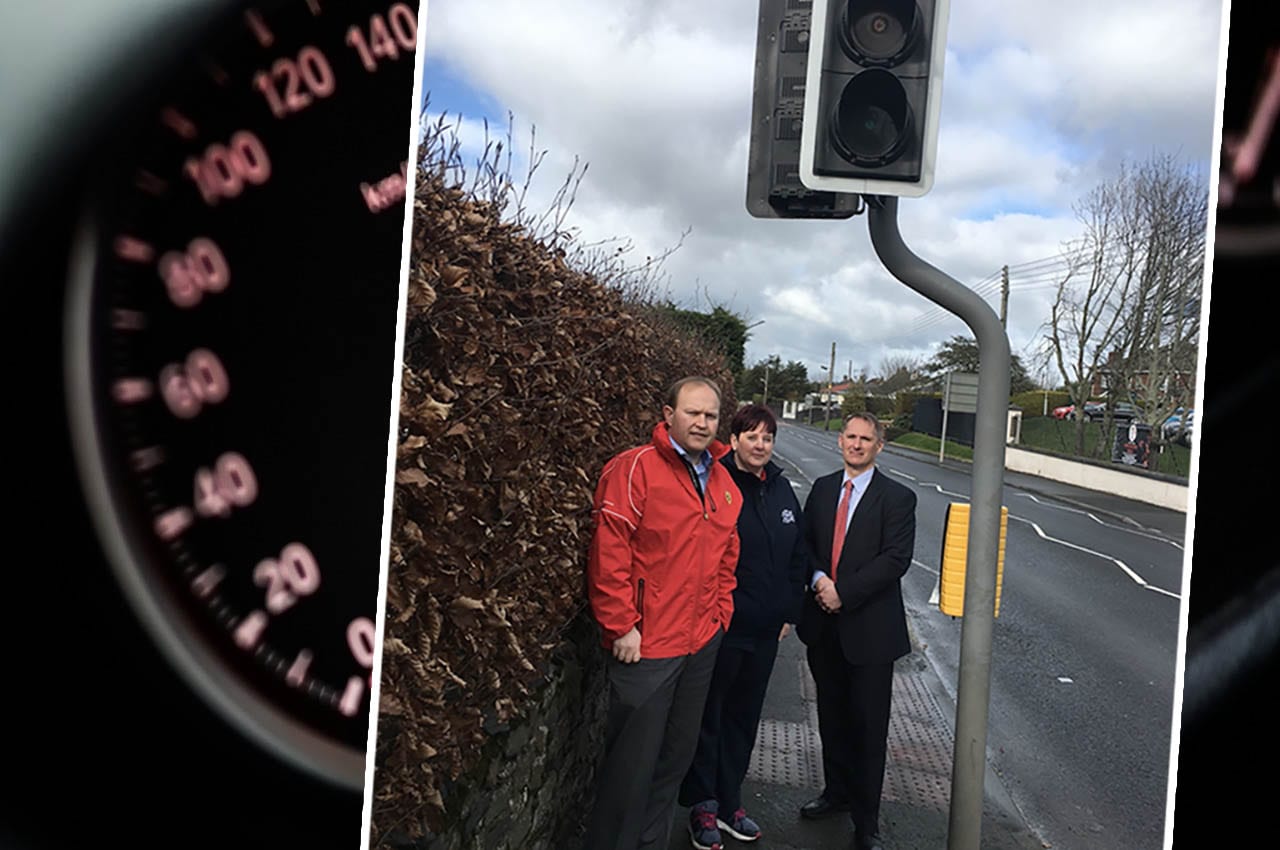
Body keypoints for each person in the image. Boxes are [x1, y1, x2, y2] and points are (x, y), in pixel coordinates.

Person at [583, 376, 743, 850]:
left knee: (673, 762)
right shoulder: (634, 469)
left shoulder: (723, 480)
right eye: (692, 412)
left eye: (710, 415)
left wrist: (720, 618)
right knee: (629, 772)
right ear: (668, 413)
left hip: (699, 644)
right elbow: (610, 553)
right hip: (646, 646)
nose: (701, 422)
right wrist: (621, 626)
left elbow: (726, 558)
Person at [677, 404, 808, 850]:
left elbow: (798, 555)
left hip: (767, 630)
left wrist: (790, 612)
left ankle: (731, 801)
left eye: (767, 438)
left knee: (744, 718)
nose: (760, 445)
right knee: (709, 716)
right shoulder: (718, 482)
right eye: (751, 436)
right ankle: (703, 805)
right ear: (733, 440)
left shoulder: (782, 488)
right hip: (723, 625)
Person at [794, 412, 917, 850]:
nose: (857, 444)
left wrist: (843, 592)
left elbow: (895, 560)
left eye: (867, 439)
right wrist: (818, 580)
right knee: (832, 718)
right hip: (825, 628)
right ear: (840, 440)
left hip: (870, 633)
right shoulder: (825, 489)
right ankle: (836, 794)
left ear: (879, 446)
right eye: (851, 436)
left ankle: (868, 822)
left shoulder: (898, 498)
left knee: (868, 729)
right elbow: (805, 545)